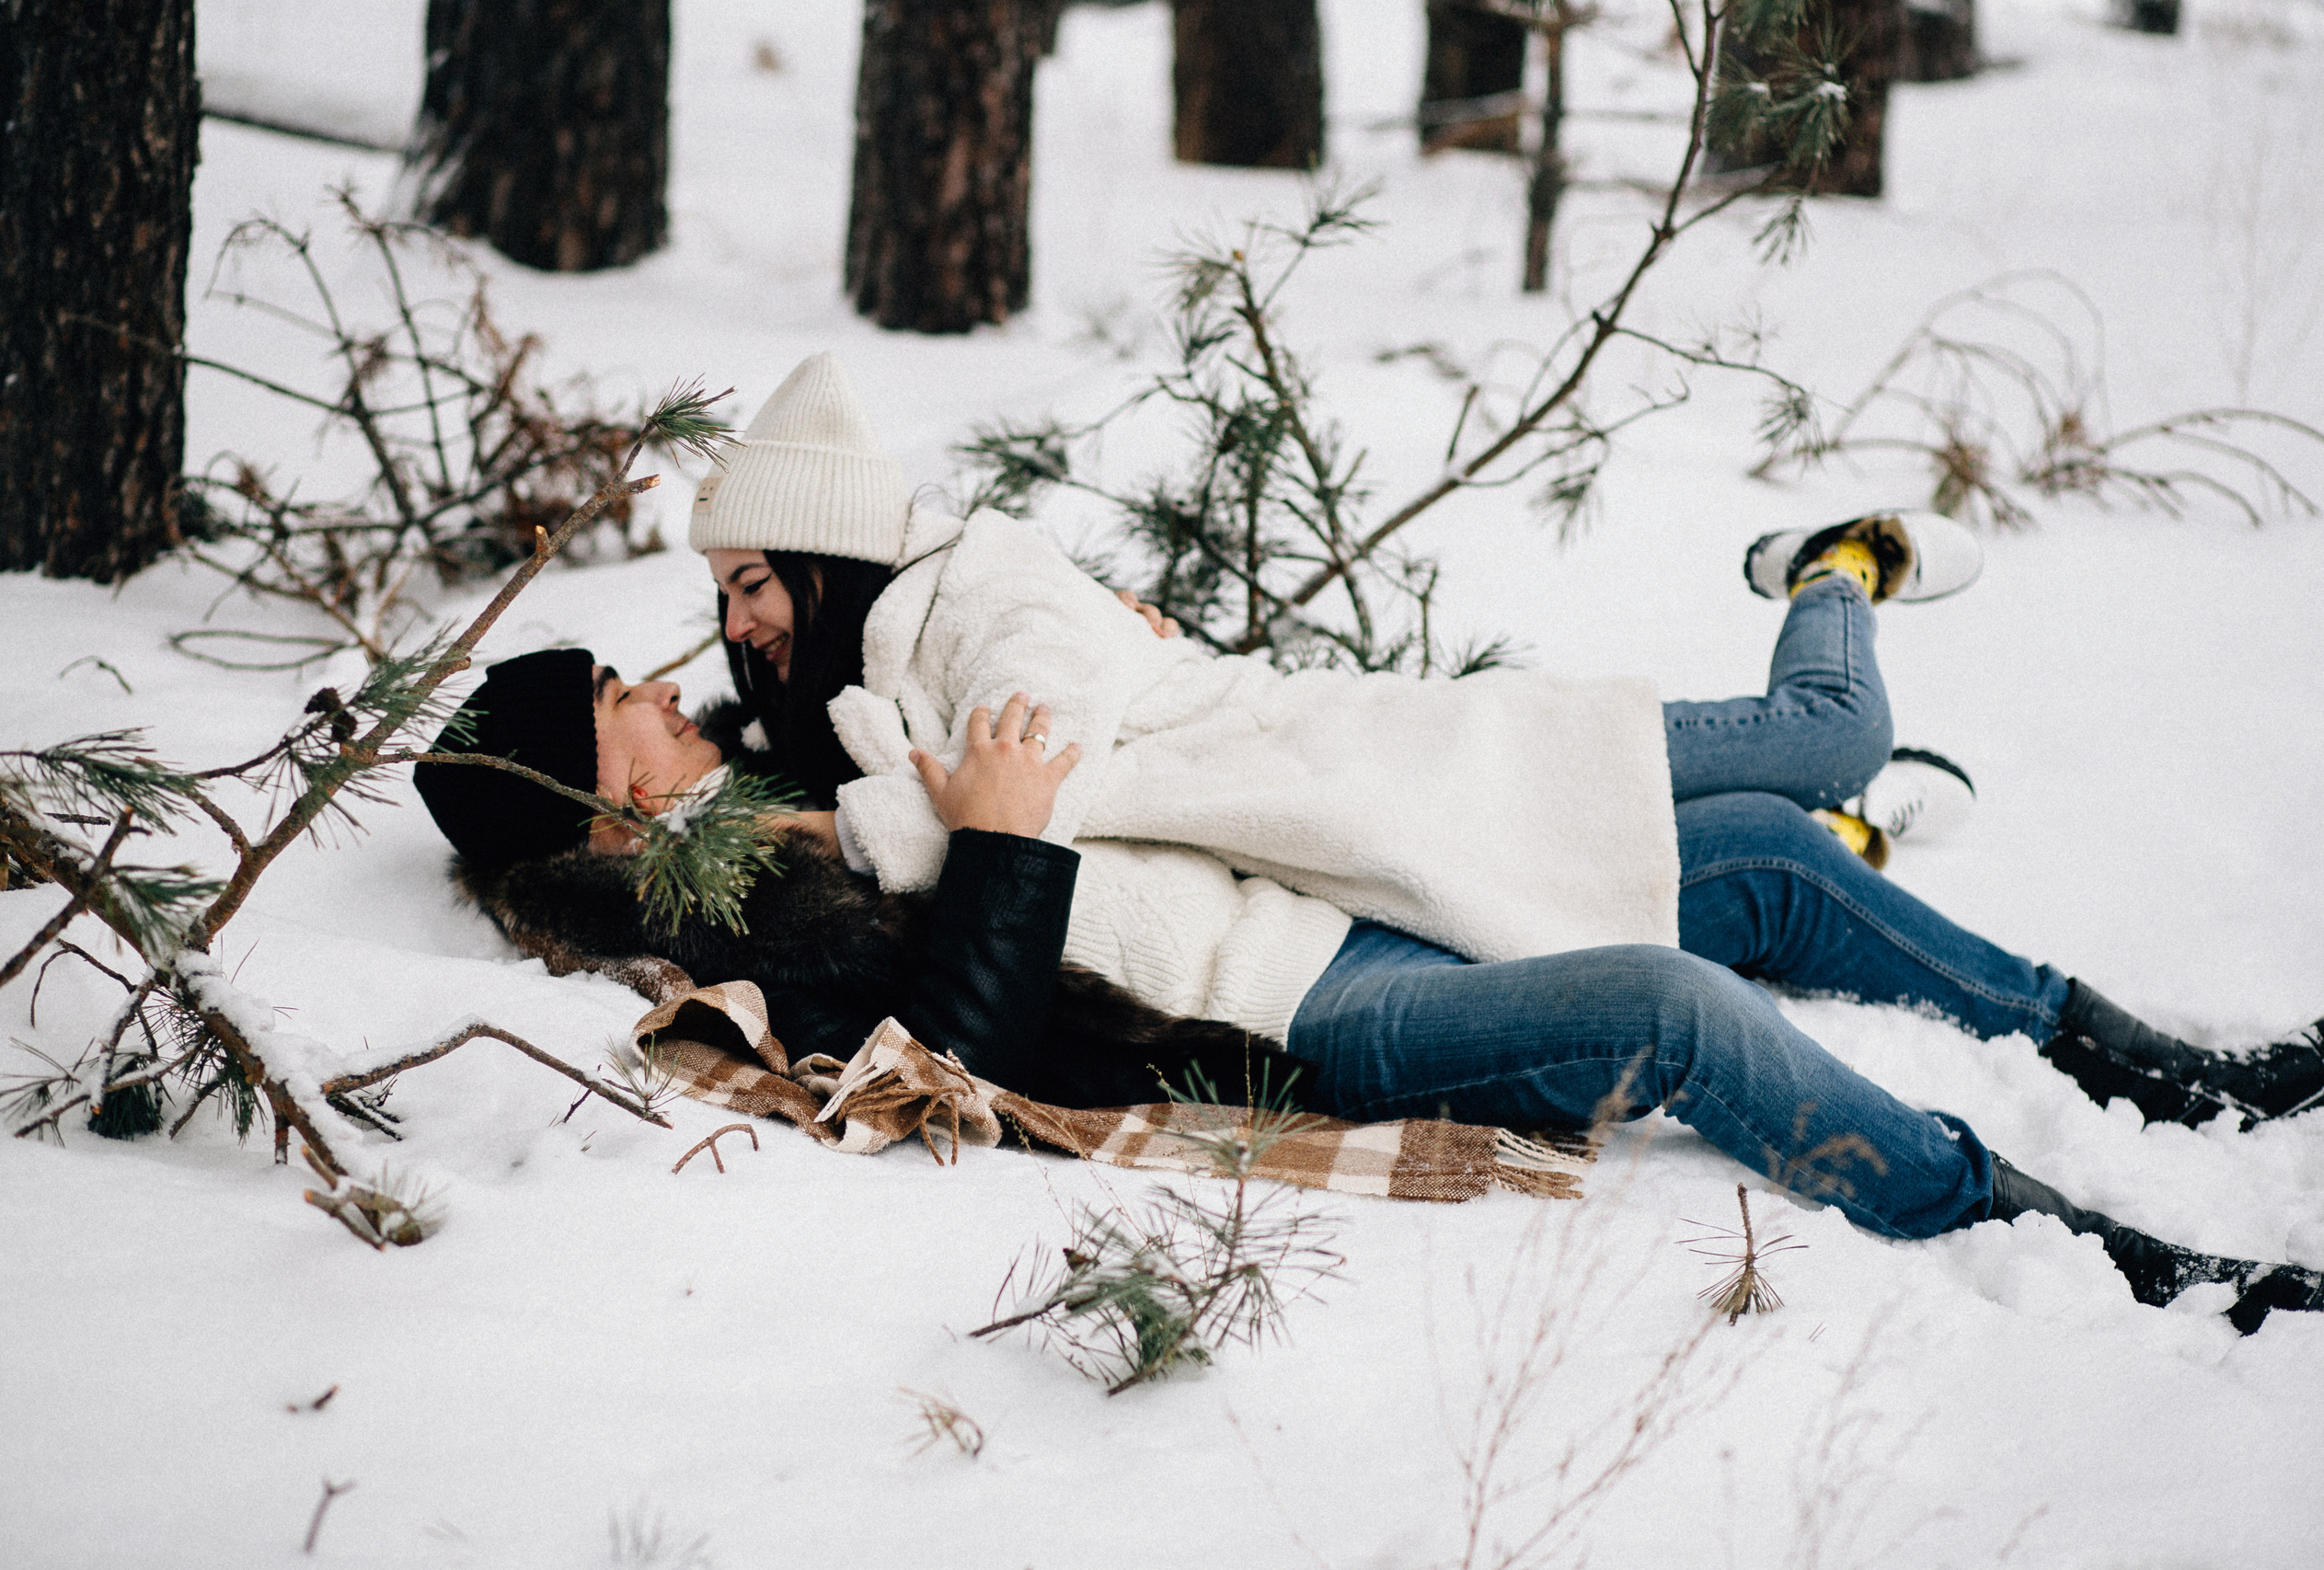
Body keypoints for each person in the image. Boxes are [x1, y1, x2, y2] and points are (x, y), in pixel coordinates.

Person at [411, 649, 2324, 1333]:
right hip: (1293, 1015)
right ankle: (2057, 1232)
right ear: (602, 798)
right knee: (1662, 995)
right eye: (623, 711)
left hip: (1290, 899)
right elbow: (968, 1052)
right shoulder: (748, 904)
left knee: (1759, 851)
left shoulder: (762, 783)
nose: (671, 693)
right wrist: (998, 834)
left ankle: (2145, 1065)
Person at [685, 352, 2324, 1132]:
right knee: (1768, 838)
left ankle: (1832, 567)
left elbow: (1046, 761)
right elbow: (1017, 819)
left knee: (1823, 736)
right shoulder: (859, 694)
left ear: (825, 557)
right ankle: (2009, 962)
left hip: (1411, 762)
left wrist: (910, 820)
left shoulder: (979, 582)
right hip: (1358, 831)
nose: (739, 623)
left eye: (753, 582)